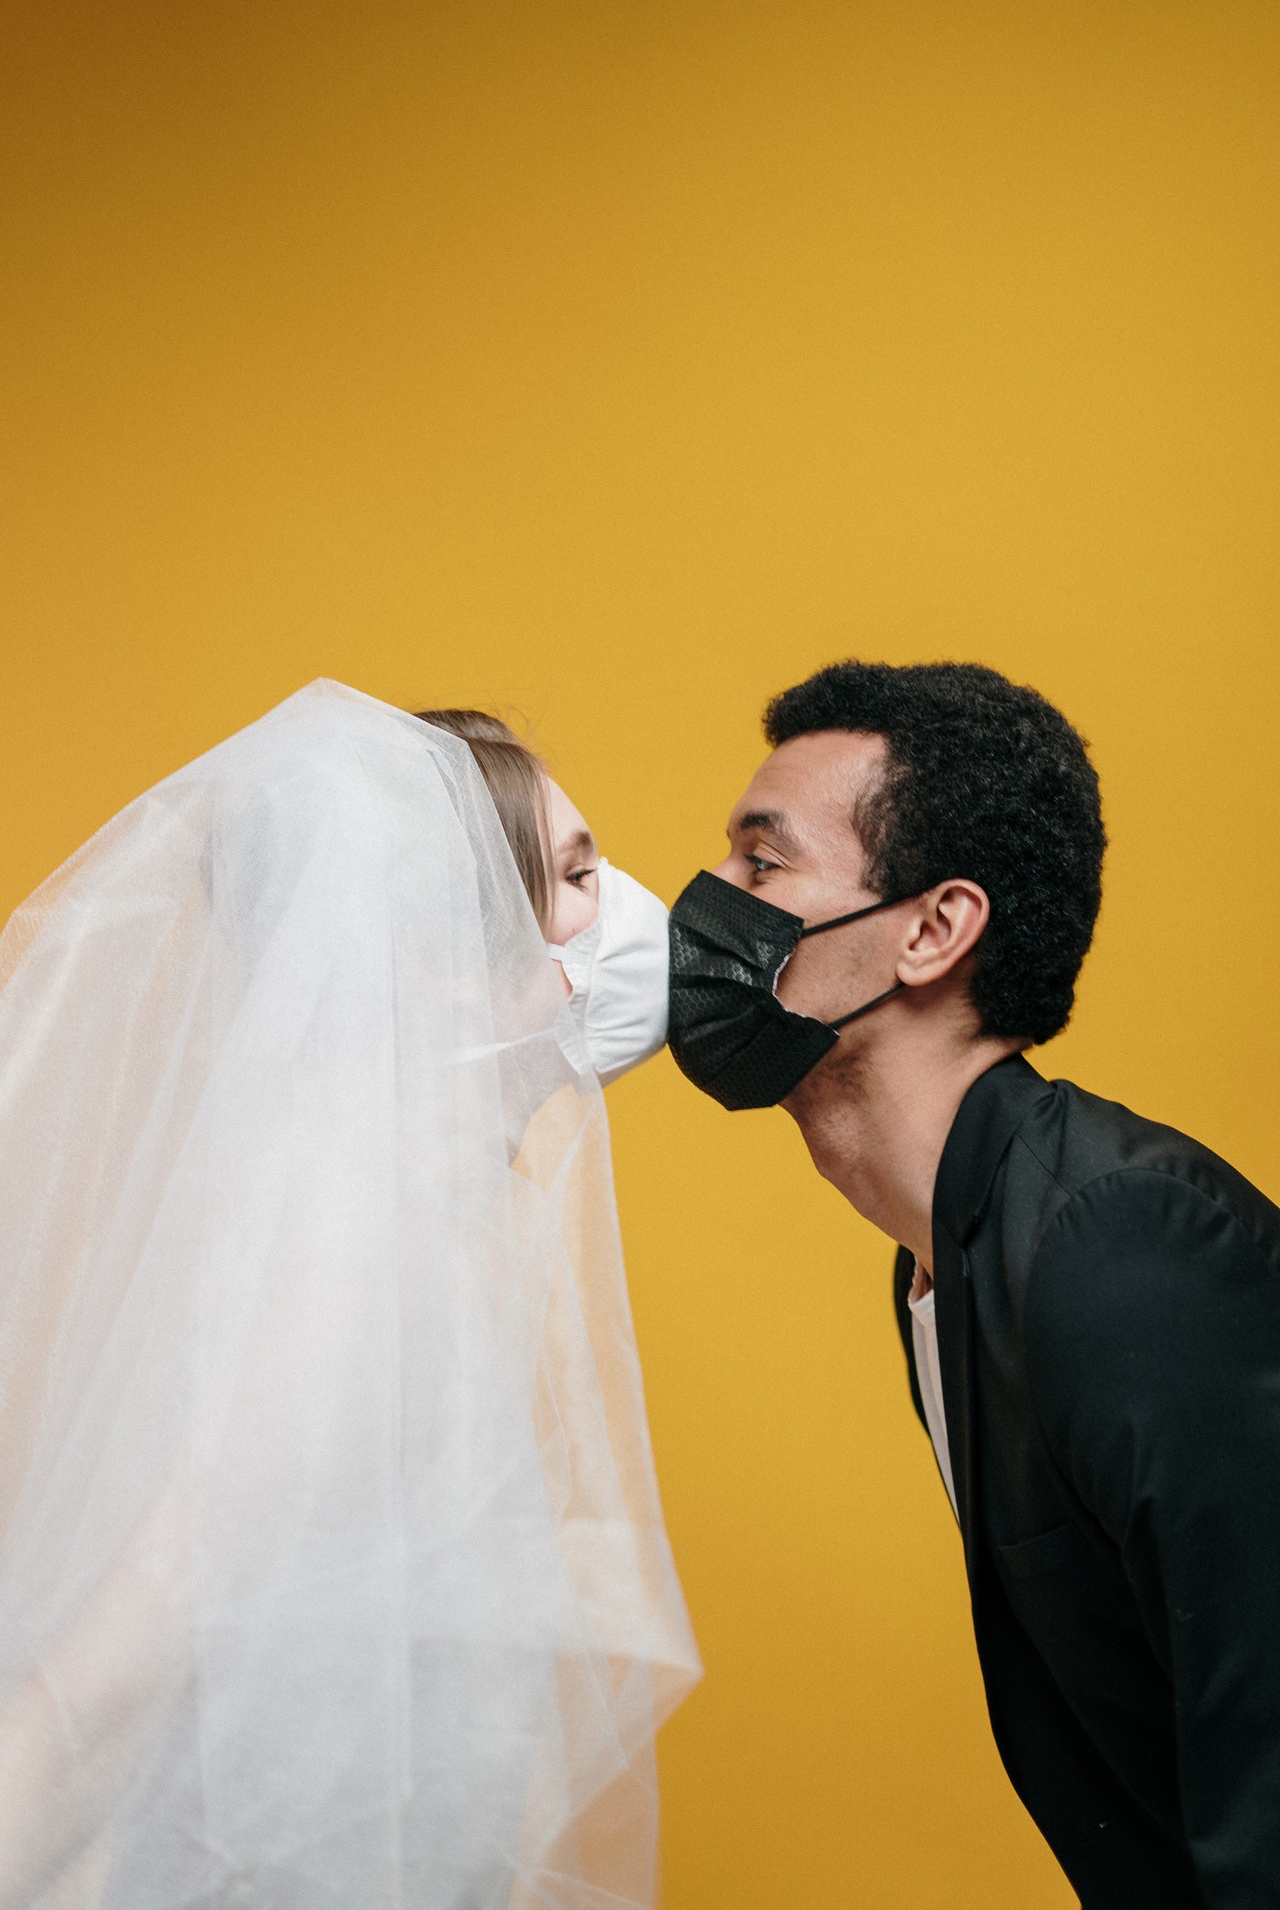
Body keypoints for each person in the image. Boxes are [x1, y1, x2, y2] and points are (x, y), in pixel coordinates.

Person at [0, 680, 698, 1910]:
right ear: (436, 965)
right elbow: (149, 1628)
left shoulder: (424, 1216)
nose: (628, 909)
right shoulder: (343, 1230)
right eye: (579, 876)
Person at [666, 658, 1280, 1908]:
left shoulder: (1119, 1236)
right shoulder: (945, 1254)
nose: (698, 907)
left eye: (759, 864)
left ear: (931, 930)